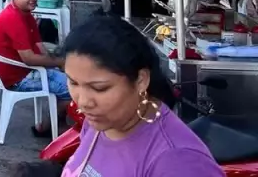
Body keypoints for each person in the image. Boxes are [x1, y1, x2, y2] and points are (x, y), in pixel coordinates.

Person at [62, 15, 221, 176]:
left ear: (141, 80)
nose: (83, 102)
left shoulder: (178, 162)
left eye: (100, 88)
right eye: (73, 83)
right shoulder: (97, 123)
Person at [0, 0, 71, 137]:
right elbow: (29, 58)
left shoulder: (26, 15)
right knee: (72, 89)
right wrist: (59, 62)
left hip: (26, 70)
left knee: (70, 77)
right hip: (17, 78)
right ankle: (51, 126)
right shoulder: (13, 18)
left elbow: (39, 47)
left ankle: (51, 124)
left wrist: (57, 64)